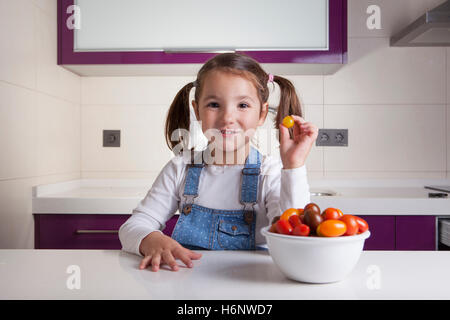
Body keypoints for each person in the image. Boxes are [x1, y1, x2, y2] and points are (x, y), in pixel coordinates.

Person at [119, 53, 318, 272]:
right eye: (214, 104)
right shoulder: (179, 168)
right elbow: (132, 227)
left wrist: (293, 165)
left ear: (262, 113)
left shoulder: (270, 172)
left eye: (242, 105)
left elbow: (295, 236)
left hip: (254, 283)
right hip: (187, 282)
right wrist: (152, 240)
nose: (227, 118)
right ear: (197, 111)